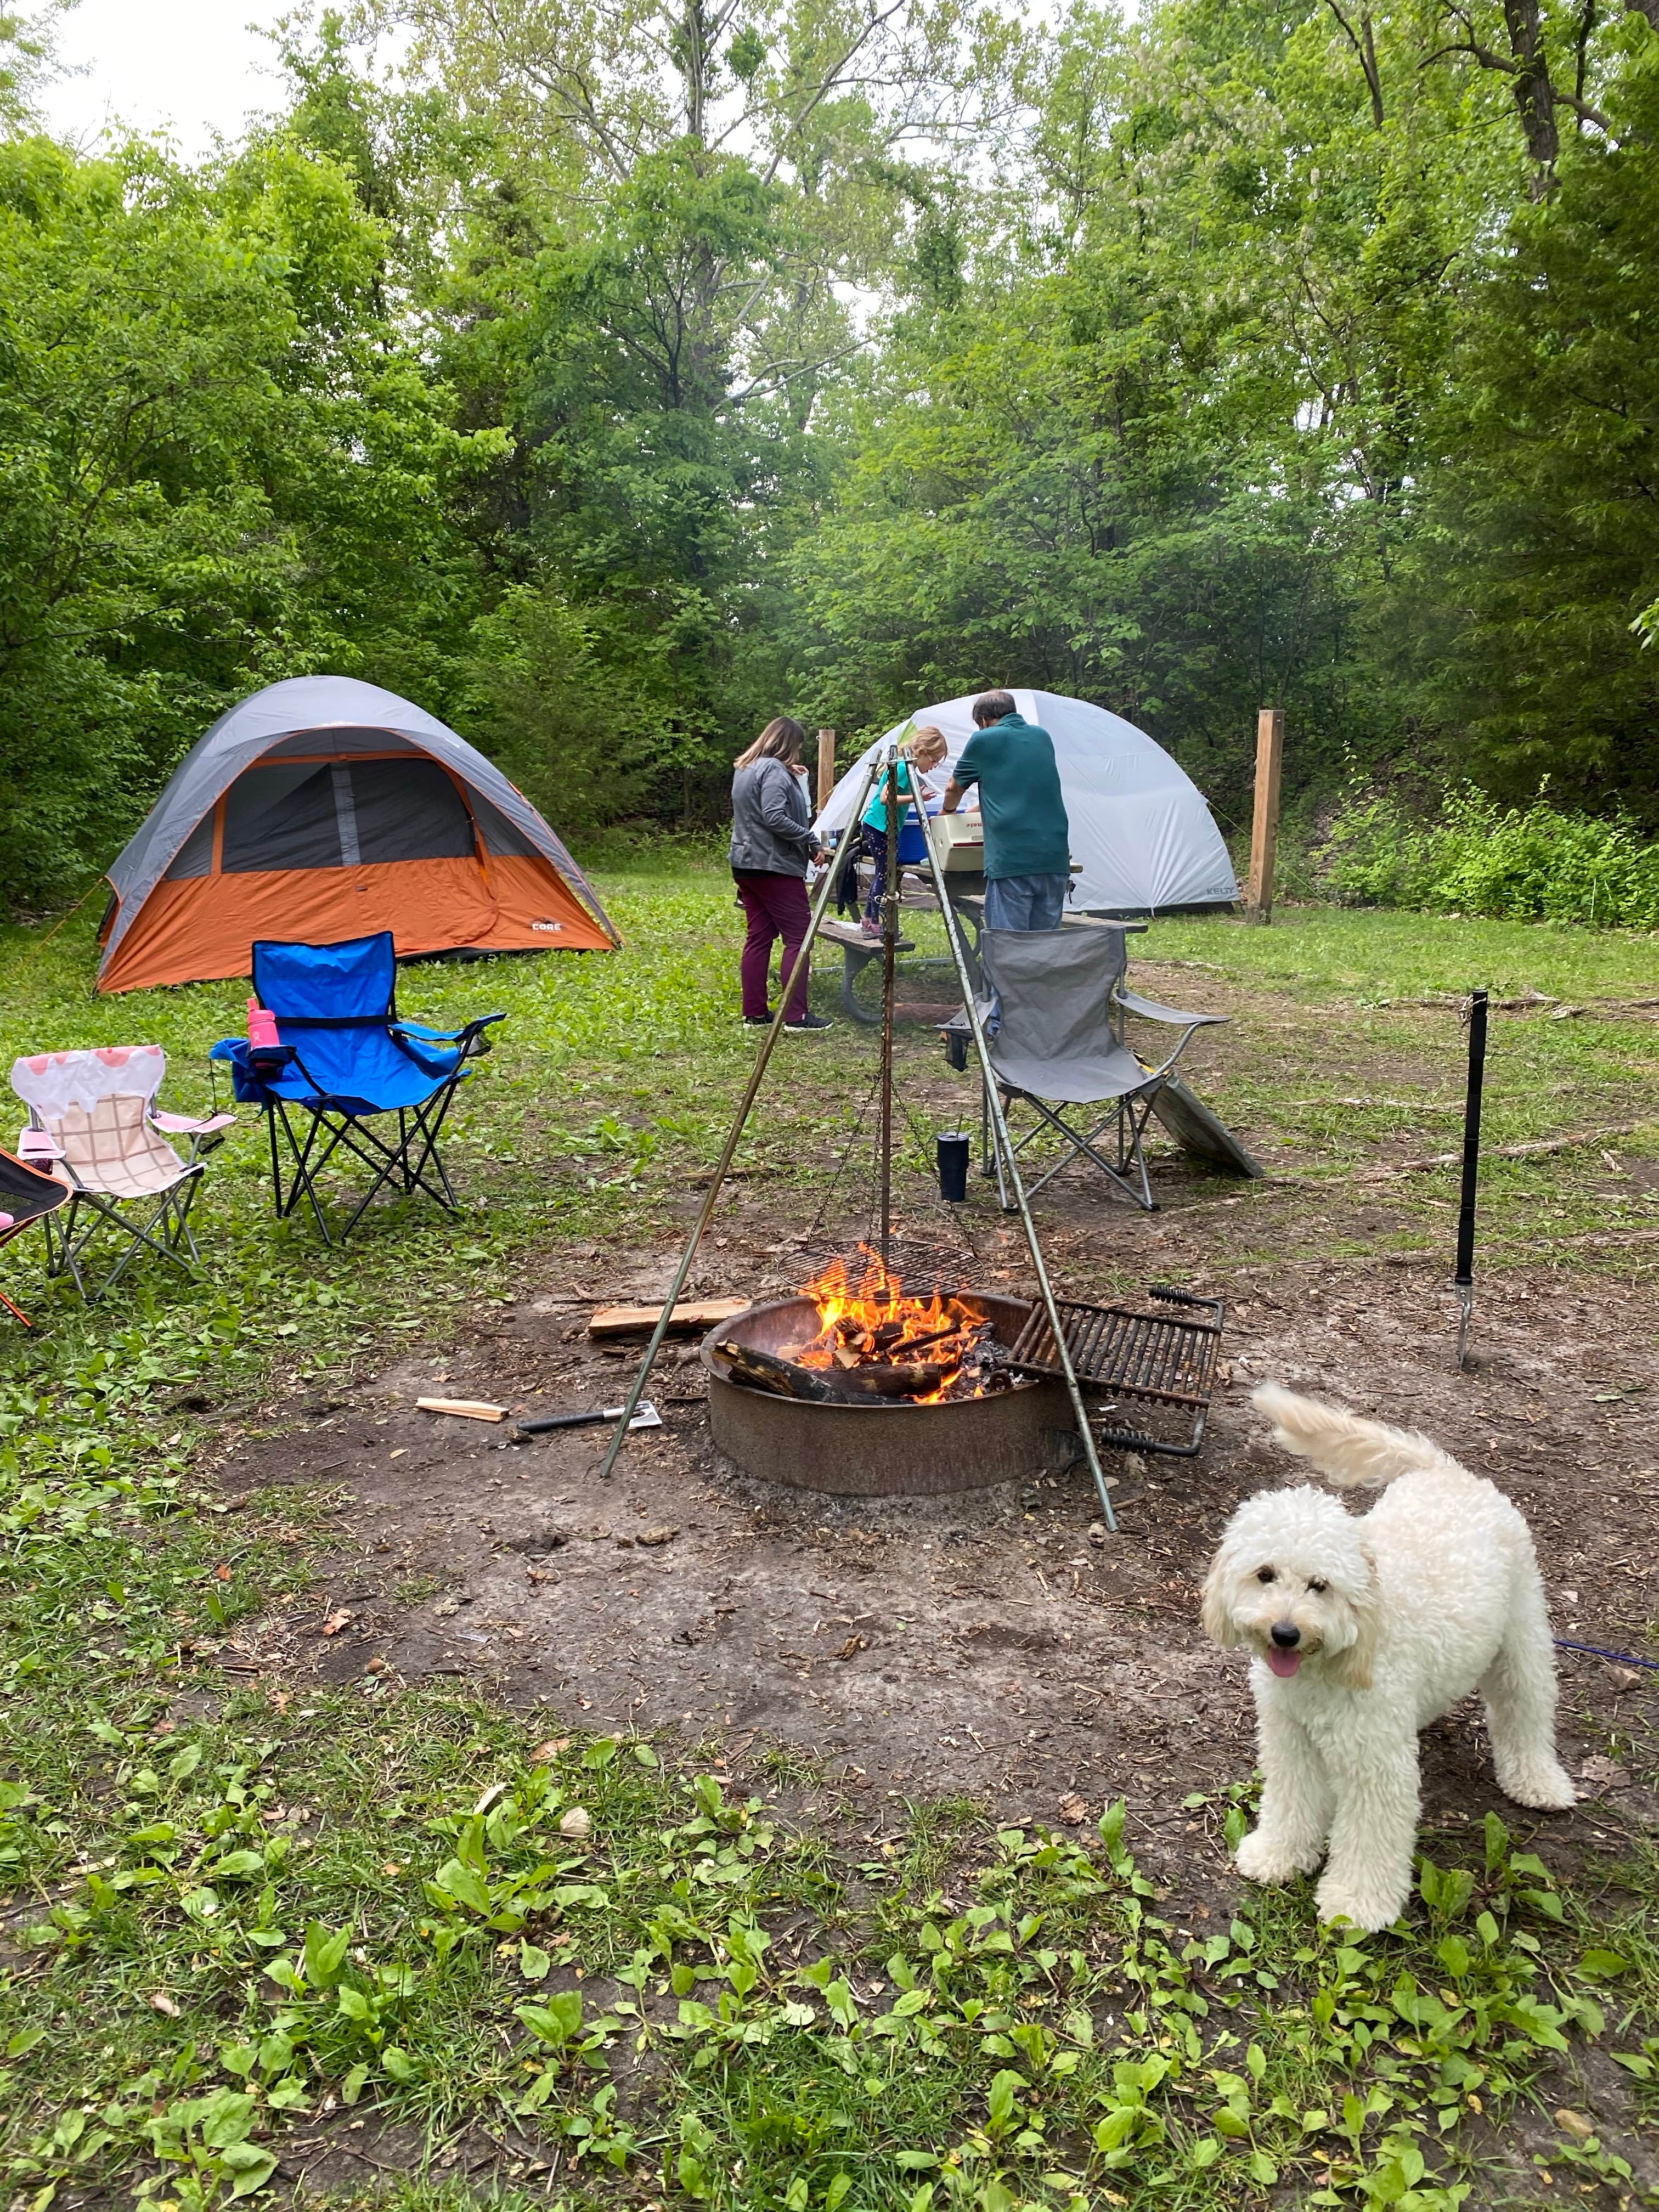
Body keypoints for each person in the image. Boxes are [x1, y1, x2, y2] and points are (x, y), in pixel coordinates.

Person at [729, 718, 835, 1034]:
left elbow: (763, 809)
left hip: (745, 863)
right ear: (789, 743)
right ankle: (796, 1015)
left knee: (759, 937)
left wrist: (794, 779)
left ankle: (756, 1013)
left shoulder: (746, 767)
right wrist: (809, 839)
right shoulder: (774, 769)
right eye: (799, 747)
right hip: (773, 865)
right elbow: (774, 815)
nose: (799, 754)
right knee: (798, 938)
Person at [940, 689, 1071, 930]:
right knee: (1047, 943)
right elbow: (1020, 787)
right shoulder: (1042, 736)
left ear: (983, 720)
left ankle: (1008, 969)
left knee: (1008, 942)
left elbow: (953, 787)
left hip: (1013, 857)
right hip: (1054, 855)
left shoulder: (985, 739)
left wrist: (948, 813)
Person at [858, 725, 950, 937]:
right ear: (922, 752)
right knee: (885, 872)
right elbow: (885, 797)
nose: (934, 766)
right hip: (878, 826)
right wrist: (917, 798)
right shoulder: (901, 768)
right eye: (934, 761)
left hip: (886, 827)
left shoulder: (908, 769)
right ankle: (873, 920)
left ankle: (869, 918)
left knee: (888, 871)